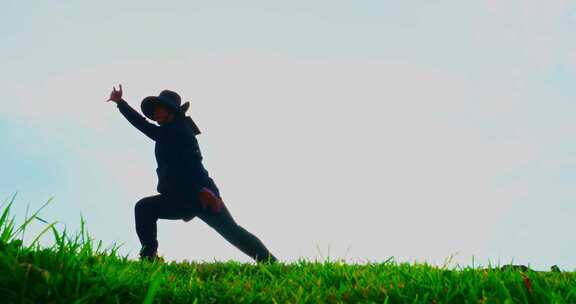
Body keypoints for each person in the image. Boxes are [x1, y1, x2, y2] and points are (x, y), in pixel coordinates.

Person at [106, 84, 278, 264]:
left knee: (232, 232)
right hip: (178, 197)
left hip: (200, 195)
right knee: (144, 208)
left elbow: (192, 163)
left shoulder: (180, 131)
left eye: (160, 108)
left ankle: (271, 263)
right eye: (154, 109)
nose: (155, 112)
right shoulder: (165, 131)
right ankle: (149, 258)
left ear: (171, 111)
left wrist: (202, 189)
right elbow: (143, 125)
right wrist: (120, 103)